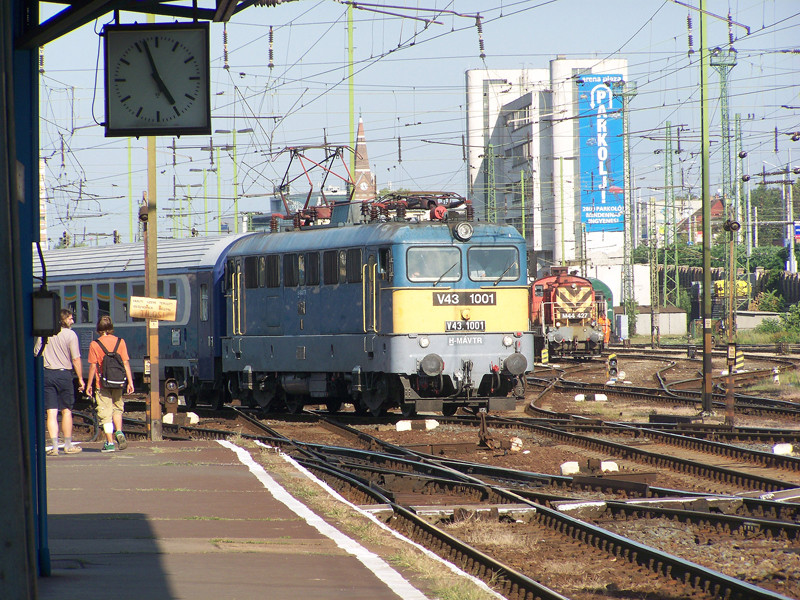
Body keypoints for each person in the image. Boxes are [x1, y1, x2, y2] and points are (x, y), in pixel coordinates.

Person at [37, 309, 85, 456]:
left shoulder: (44, 333)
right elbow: (76, 358)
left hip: (47, 374)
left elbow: (36, 352)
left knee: (51, 412)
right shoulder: (71, 335)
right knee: (66, 410)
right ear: (64, 319)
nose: (72, 321)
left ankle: (55, 446)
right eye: (70, 318)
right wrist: (81, 379)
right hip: (64, 375)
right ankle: (68, 445)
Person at [85, 315, 134, 453]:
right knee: (117, 408)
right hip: (118, 382)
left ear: (98, 328)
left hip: (102, 384)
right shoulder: (120, 342)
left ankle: (110, 443)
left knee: (105, 413)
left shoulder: (95, 344)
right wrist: (130, 381)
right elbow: (125, 363)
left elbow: (93, 367)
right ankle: (119, 431)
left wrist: (89, 385)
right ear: (111, 327)